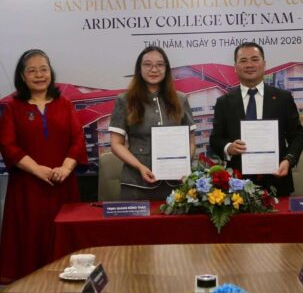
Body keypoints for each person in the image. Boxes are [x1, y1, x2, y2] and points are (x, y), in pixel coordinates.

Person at [0, 49, 88, 283]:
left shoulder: (65, 104)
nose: (39, 75)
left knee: (63, 239)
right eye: (32, 71)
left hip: (63, 185)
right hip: (27, 188)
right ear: (22, 76)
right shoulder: (13, 107)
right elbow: (8, 145)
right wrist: (37, 169)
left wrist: (65, 169)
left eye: (43, 69)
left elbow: (77, 141)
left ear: (51, 72)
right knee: (29, 239)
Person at [210, 42, 303, 196]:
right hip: (237, 186)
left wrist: (288, 160)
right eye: (243, 61)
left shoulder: (283, 98)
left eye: (255, 59)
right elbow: (215, 139)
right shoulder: (224, 102)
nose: (249, 65)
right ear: (235, 67)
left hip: (277, 180)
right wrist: (229, 147)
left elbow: (297, 136)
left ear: (264, 64)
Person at [109, 46, 196, 200]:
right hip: (136, 184)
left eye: (160, 65)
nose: (154, 69)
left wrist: (182, 165)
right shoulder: (125, 100)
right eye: (147, 64)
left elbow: (191, 141)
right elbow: (116, 144)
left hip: (175, 186)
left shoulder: (180, 99)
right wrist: (139, 167)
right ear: (139, 69)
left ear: (166, 69)